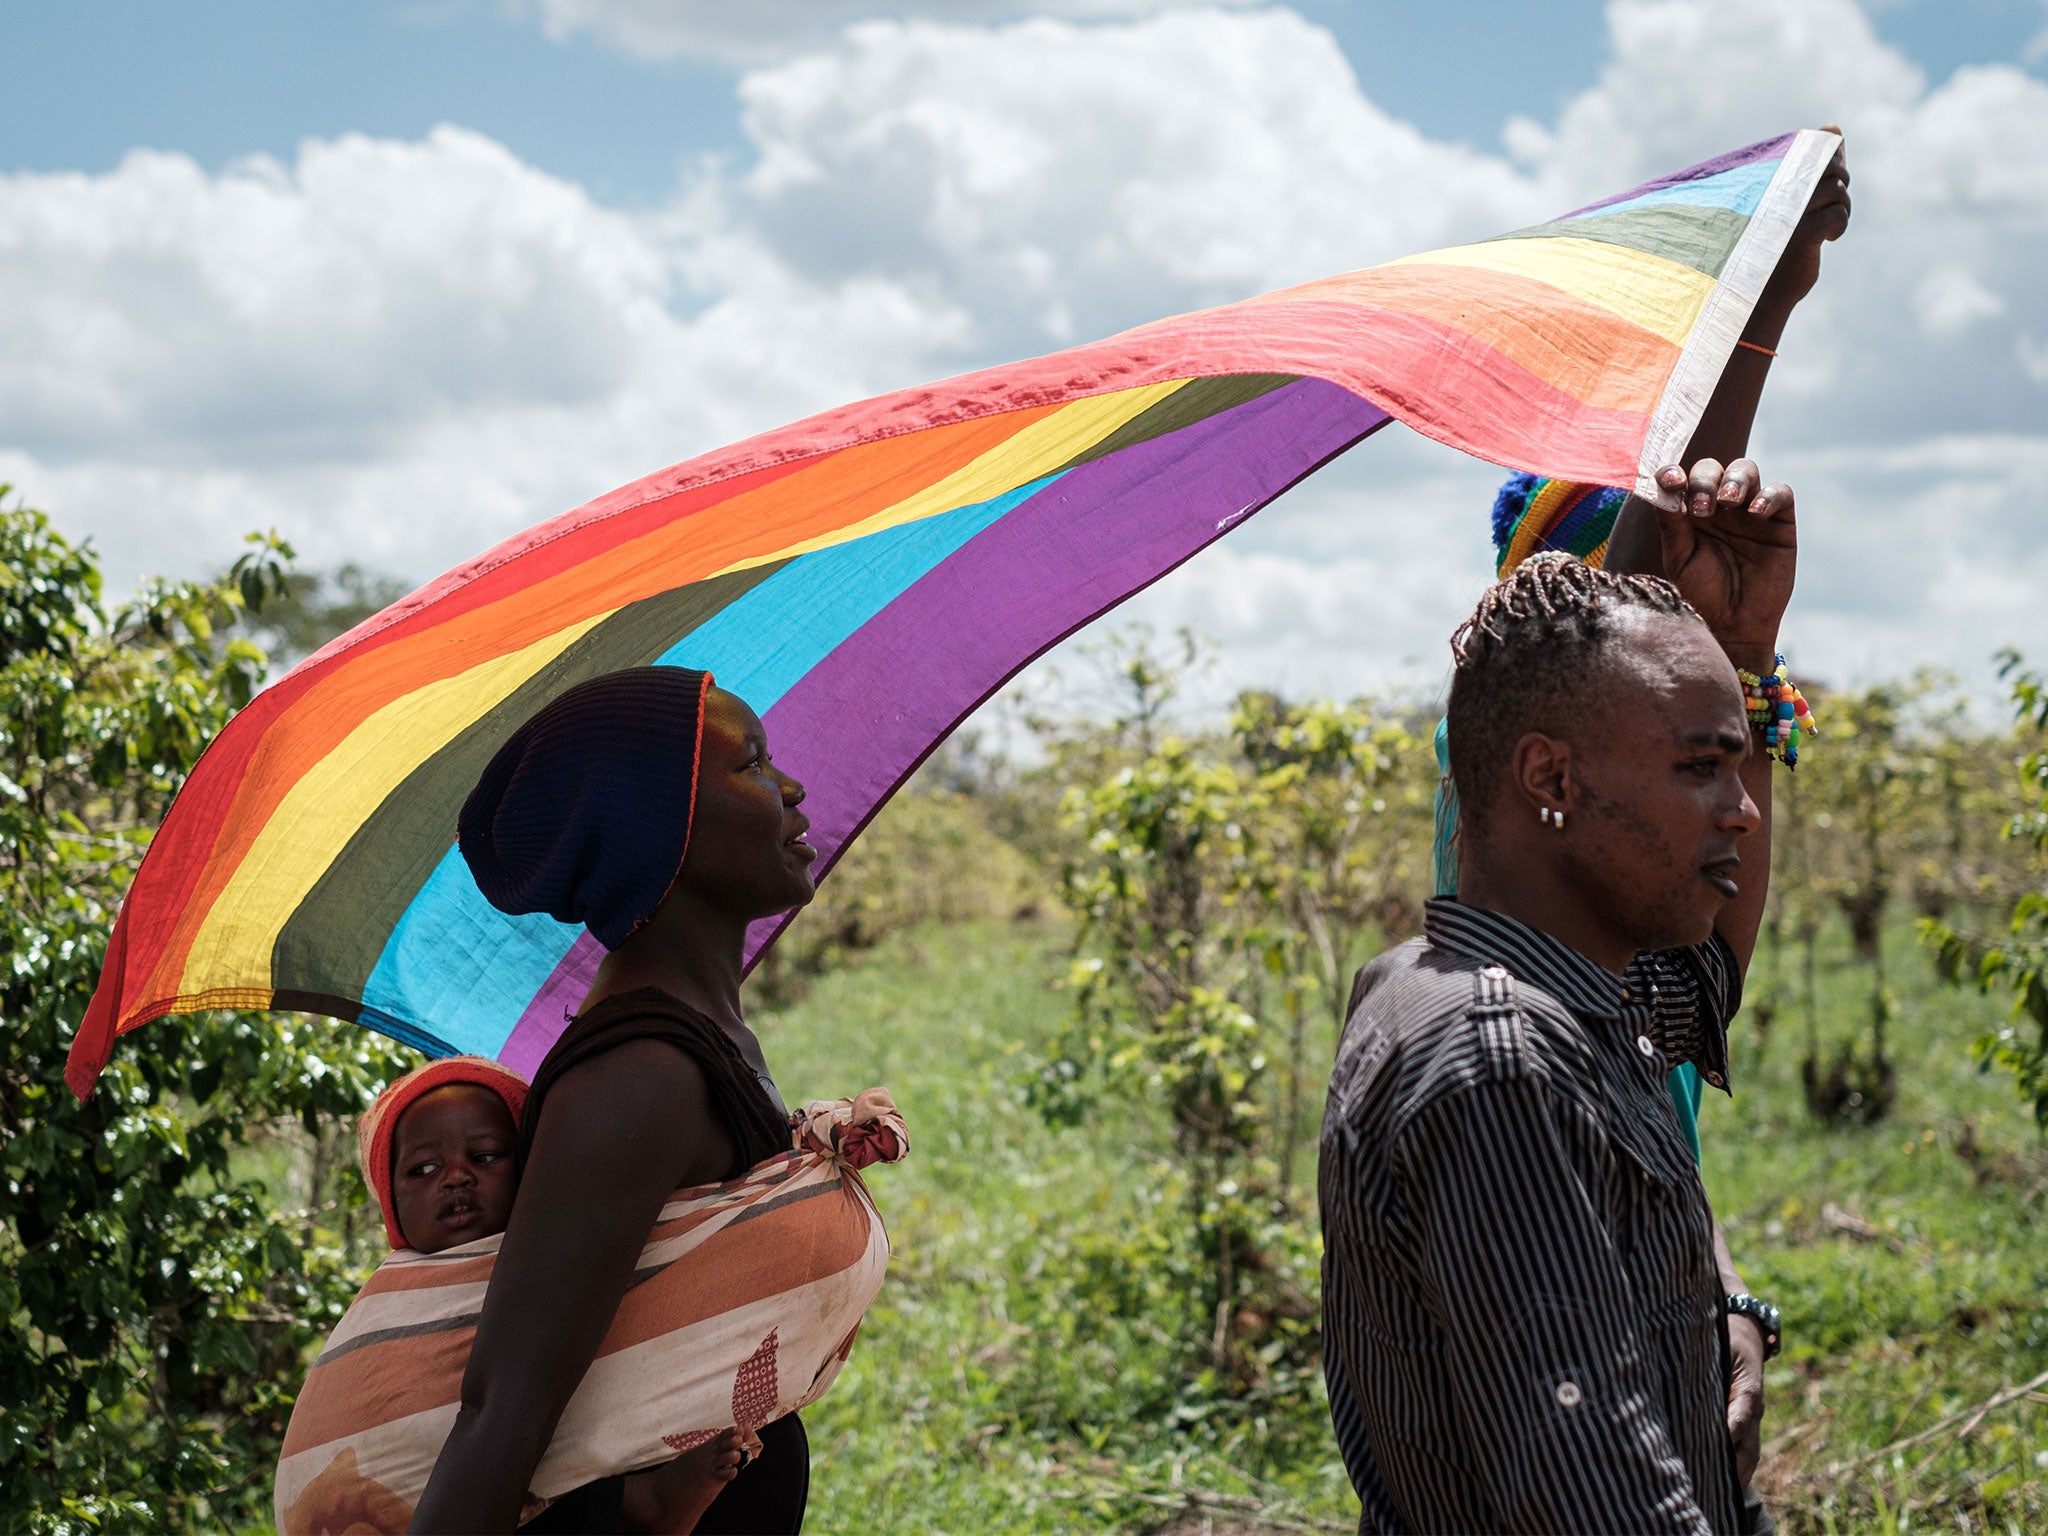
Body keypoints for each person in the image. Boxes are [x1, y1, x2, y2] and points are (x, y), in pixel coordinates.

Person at [1320, 431, 1809, 1531]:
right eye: (1697, 766)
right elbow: (1602, 1504)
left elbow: (1708, 976)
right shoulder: (1500, 1062)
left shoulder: (1578, 994)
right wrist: (1764, 306)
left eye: (1739, 760)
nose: (1738, 805)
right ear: (1547, 776)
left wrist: (1737, 644)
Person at [407, 667, 858, 1533]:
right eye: (753, 765)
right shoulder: (638, 1076)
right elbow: (502, 1412)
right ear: (660, 831)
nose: (792, 788)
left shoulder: (703, 1038)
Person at [349, 1056, 746, 1534]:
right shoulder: (388, 1302)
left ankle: (641, 1503)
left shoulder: (556, 1254)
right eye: (424, 1168)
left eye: (486, 1156)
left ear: (536, 1170)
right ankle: (639, 1507)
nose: (455, 1177)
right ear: (392, 1203)